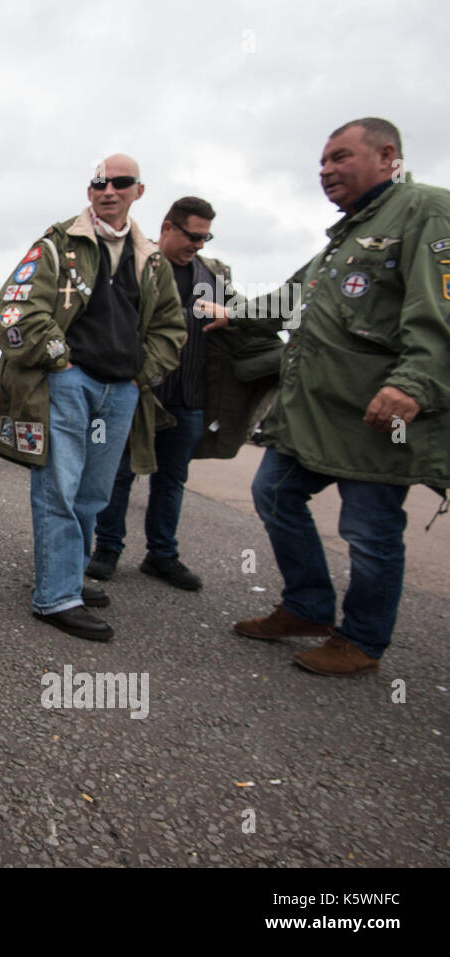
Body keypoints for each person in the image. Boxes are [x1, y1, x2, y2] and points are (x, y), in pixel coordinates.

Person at [203, 118, 450, 676]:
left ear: (388, 155)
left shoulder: (426, 211)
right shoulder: (346, 235)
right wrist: (233, 314)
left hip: (376, 413)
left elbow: (440, 309)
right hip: (314, 413)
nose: (326, 171)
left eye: (340, 157)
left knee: (369, 530)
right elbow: (292, 296)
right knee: (274, 493)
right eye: (321, 162)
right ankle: (307, 605)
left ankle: (362, 639)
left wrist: (413, 383)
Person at [0, 155, 186, 641]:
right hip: (69, 383)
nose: (108, 189)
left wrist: (140, 375)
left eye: (120, 182)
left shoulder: (151, 259)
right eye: (98, 182)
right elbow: (14, 307)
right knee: (59, 488)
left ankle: (67, 574)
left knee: (94, 492)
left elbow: (171, 330)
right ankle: (56, 596)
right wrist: (60, 362)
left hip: (123, 390)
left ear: (139, 190)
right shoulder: (56, 244)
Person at [89, 198, 282, 590]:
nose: (199, 245)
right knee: (120, 475)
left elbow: (252, 320)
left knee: (172, 480)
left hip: (190, 399)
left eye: (206, 237)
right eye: (193, 236)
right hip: (140, 394)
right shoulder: (138, 266)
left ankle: (162, 555)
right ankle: (107, 550)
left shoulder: (211, 276)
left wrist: (231, 317)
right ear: (167, 228)